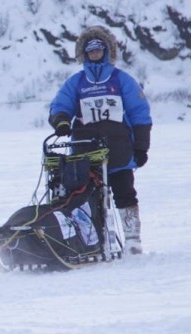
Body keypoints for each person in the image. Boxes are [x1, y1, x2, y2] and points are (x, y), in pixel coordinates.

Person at [48, 25, 152, 255]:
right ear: (84, 54)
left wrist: (141, 146)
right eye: (90, 51)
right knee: (84, 196)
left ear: (107, 51)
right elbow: (60, 105)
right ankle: (91, 240)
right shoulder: (76, 82)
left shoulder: (121, 79)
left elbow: (140, 113)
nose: (94, 54)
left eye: (98, 50)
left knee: (125, 192)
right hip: (85, 149)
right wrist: (62, 121)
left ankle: (133, 239)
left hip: (119, 149)